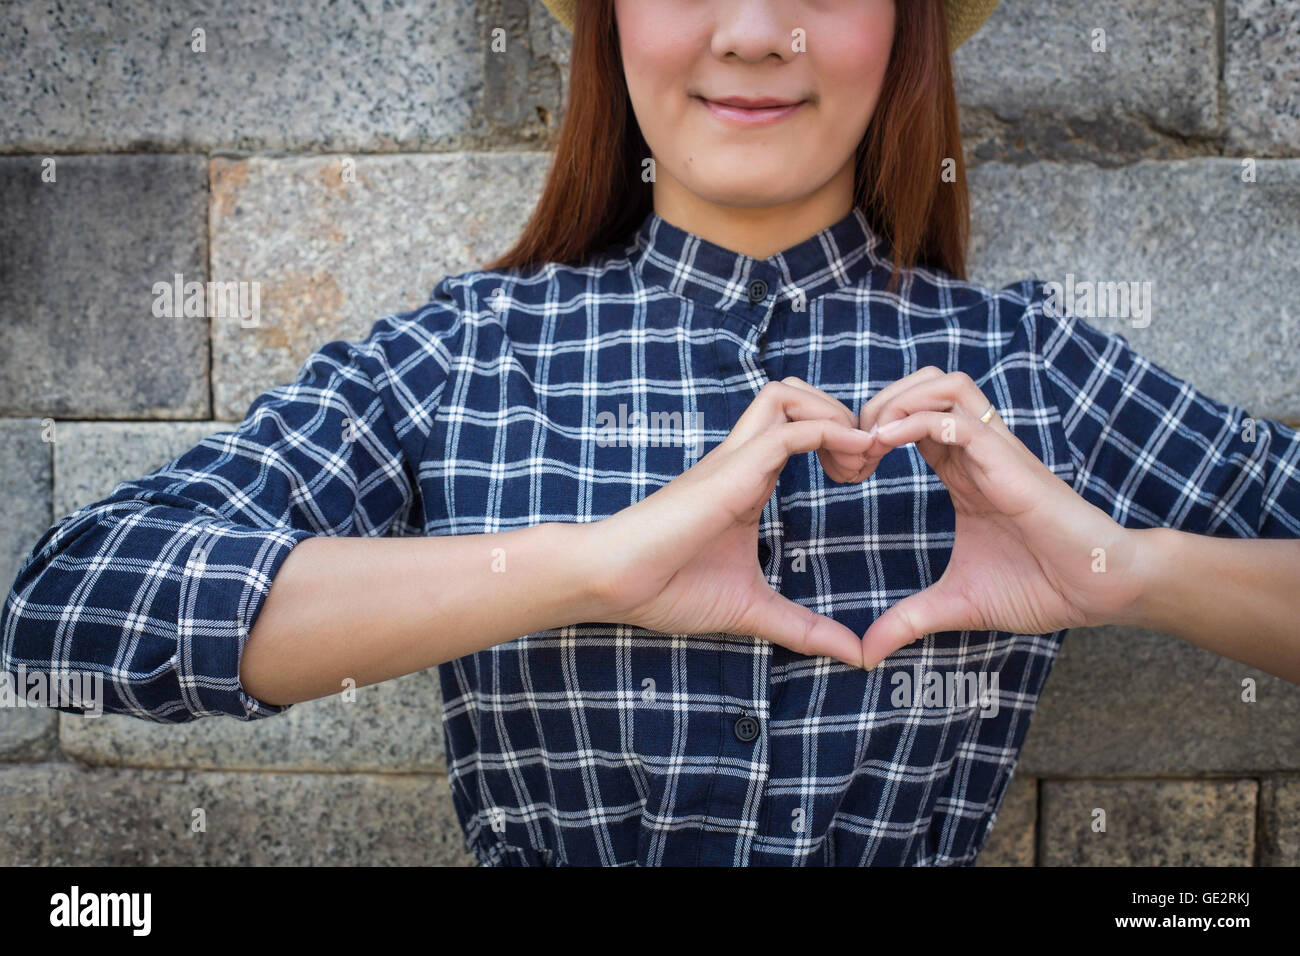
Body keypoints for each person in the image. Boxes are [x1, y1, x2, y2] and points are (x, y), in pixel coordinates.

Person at [4, 0, 1298, 866]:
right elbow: (67, 614)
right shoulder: (471, 353)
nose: (748, 34)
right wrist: (585, 566)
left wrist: (1132, 572)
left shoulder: (1022, 368)